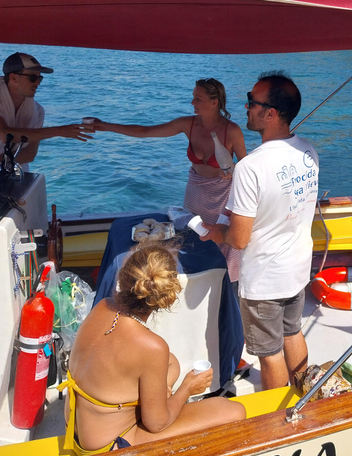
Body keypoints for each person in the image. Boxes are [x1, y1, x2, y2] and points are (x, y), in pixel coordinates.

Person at [60, 241, 245, 454]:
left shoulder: (103, 306)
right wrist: (187, 388)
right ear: (165, 297)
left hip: (75, 428)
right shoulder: (152, 347)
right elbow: (156, 424)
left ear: (124, 277)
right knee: (233, 411)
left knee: (172, 364)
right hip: (108, 446)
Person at [202, 71, 319, 391]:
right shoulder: (309, 151)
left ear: (271, 114)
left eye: (252, 102)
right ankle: (303, 394)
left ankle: (276, 423)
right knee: (293, 332)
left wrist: (216, 233)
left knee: (269, 355)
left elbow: (238, 239)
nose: (245, 106)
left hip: (265, 279)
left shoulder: (251, 167)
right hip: (297, 268)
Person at [93, 78, 247, 281]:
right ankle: (194, 281)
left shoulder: (232, 131)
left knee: (222, 245)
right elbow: (146, 132)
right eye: (193, 97)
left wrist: (234, 169)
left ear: (214, 102)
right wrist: (106, 127)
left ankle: (224, 286)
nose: (192, 103)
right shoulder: (188, 124)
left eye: (198, 99)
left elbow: (248, 169)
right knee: (192, 239)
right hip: (195, 193)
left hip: (222, 197)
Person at [0, 52, 92, 171]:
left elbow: (29, 154)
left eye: (40, 78)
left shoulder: (38, 111)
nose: (38, 82)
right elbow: (5, 134)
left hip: (15, 177)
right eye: (33, 78)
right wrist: (59, 131)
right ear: (13, 78)